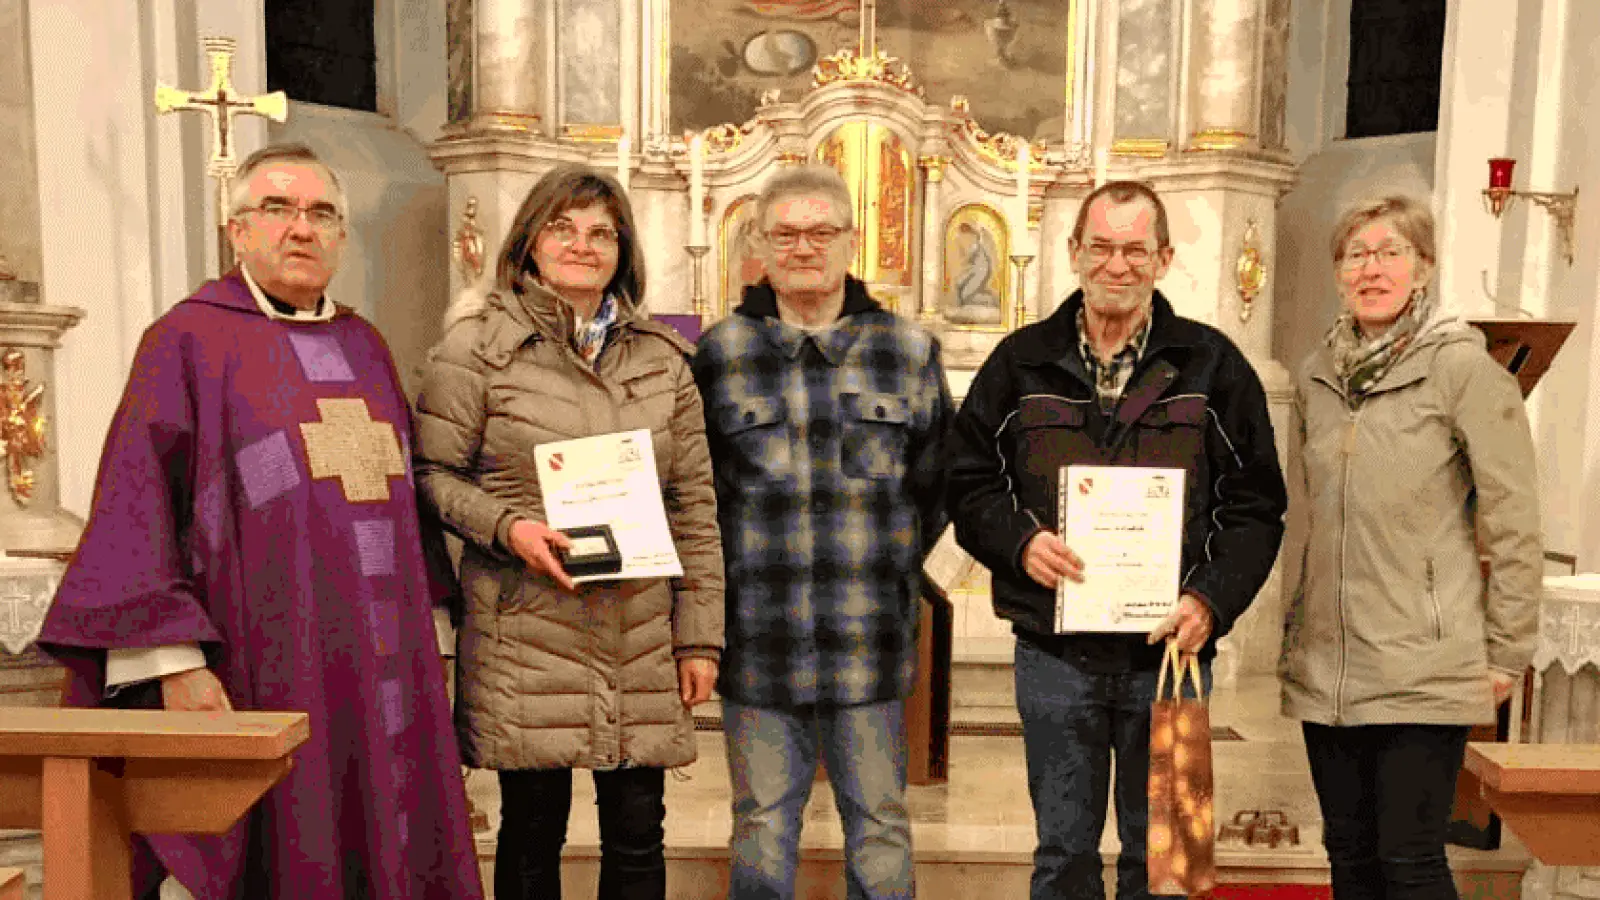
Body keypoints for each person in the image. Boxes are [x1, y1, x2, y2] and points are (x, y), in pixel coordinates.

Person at [36, 143, 484, 899]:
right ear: (237, 230)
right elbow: (136, 505)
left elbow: (403, 507)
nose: (301, 228)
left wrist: (431, 636)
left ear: (341, 237)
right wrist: (174, 662)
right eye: (277, 209)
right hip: (267, 663)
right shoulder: (188, 342)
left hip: (382, 666)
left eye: (321, 213)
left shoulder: (366, 346)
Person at [946, 180, 1288, 900]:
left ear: (1163, 258)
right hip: (1054, 655)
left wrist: (1211, 600)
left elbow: (1256, 505)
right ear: (1074, 252)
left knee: (1165, 864)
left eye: (1135, 249)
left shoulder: (1213, 365)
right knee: (1062, 857)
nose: (1117, 264)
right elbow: (967, 481)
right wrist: (1020, 544)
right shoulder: (1021, 362)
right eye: (1101, 246)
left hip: (1170, 657)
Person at [412, 164, 724, 900]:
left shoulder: (662, 359)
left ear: (622, 251)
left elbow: (694, 506)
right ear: (529, 241)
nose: (582, 245)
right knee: (532, 828)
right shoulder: (476, 349)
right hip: (527, 622)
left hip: (638, 625)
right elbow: (429, 475)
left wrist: (700, 638)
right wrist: (507, 526)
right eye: (563, 228)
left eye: (601, 233)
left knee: (639, 830)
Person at [692, 165, 953, 900]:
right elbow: (698, 492)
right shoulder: (719, 353)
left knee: (881, 824)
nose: (803, 247)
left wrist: (886, 563)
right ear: (759, 244)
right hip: (757, 639)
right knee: (761, 824)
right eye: (786, 234)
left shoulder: (907, 349)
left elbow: (937, 484)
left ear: (850, 240)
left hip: (868, 638)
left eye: (820, 232)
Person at [1279, 195, 1541, 900]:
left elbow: (1515, 520)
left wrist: (1506, 650)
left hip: (1423, 661)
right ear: (1338, 273)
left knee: (1410, 861)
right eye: (1356, 254)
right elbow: (1313, 517)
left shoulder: (1463, 371)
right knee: (1349, 855)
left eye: (1391, 252)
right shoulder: (1315, 375)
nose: (1372, 269)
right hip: (1330, 664)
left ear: (1423, 268)